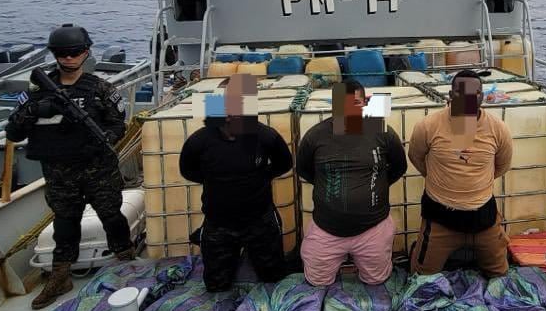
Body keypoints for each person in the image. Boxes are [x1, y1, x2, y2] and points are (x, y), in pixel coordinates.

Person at [6, 24, 133, 309]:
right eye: (61, 53)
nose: (68, 58)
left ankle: (126, 263)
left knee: (112, 216)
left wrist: (106, 137)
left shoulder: (100, 89)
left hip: (97, 167)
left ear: (86, 53)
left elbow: (117, 124)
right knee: (64, 222)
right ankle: (60, 275)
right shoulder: (36, 92)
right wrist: (33, 111)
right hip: (60, 170)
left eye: (74, 53)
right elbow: (13, 133)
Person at [178, 73, 293, 292]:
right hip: (218, 224)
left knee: (273, 277)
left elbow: (284, 163)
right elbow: (188, 170)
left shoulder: (265, 136)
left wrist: (260, 177)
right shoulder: (199, 141)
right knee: (216, 285)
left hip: (260, 221)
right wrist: (217, 180)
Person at [296, 80, 407, 286]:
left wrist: (374, 187)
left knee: (377, 281)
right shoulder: (315, 135)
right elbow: (304, 170)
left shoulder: (382, 130)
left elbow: (399, 167)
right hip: (325, 229)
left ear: (365, 103)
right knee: (316, 282)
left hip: (373, 228)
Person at [408, 70, 513, 277]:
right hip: (440, 219)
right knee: (420, 277)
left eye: (474, 93)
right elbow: (416, 157)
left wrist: (474, 187)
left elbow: (501, 166)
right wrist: (441, 181)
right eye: (461, 92)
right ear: (450, 95)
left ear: (482, 96)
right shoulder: (428, 126)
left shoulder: (498, 129)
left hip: (484, 219)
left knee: (500, 274)